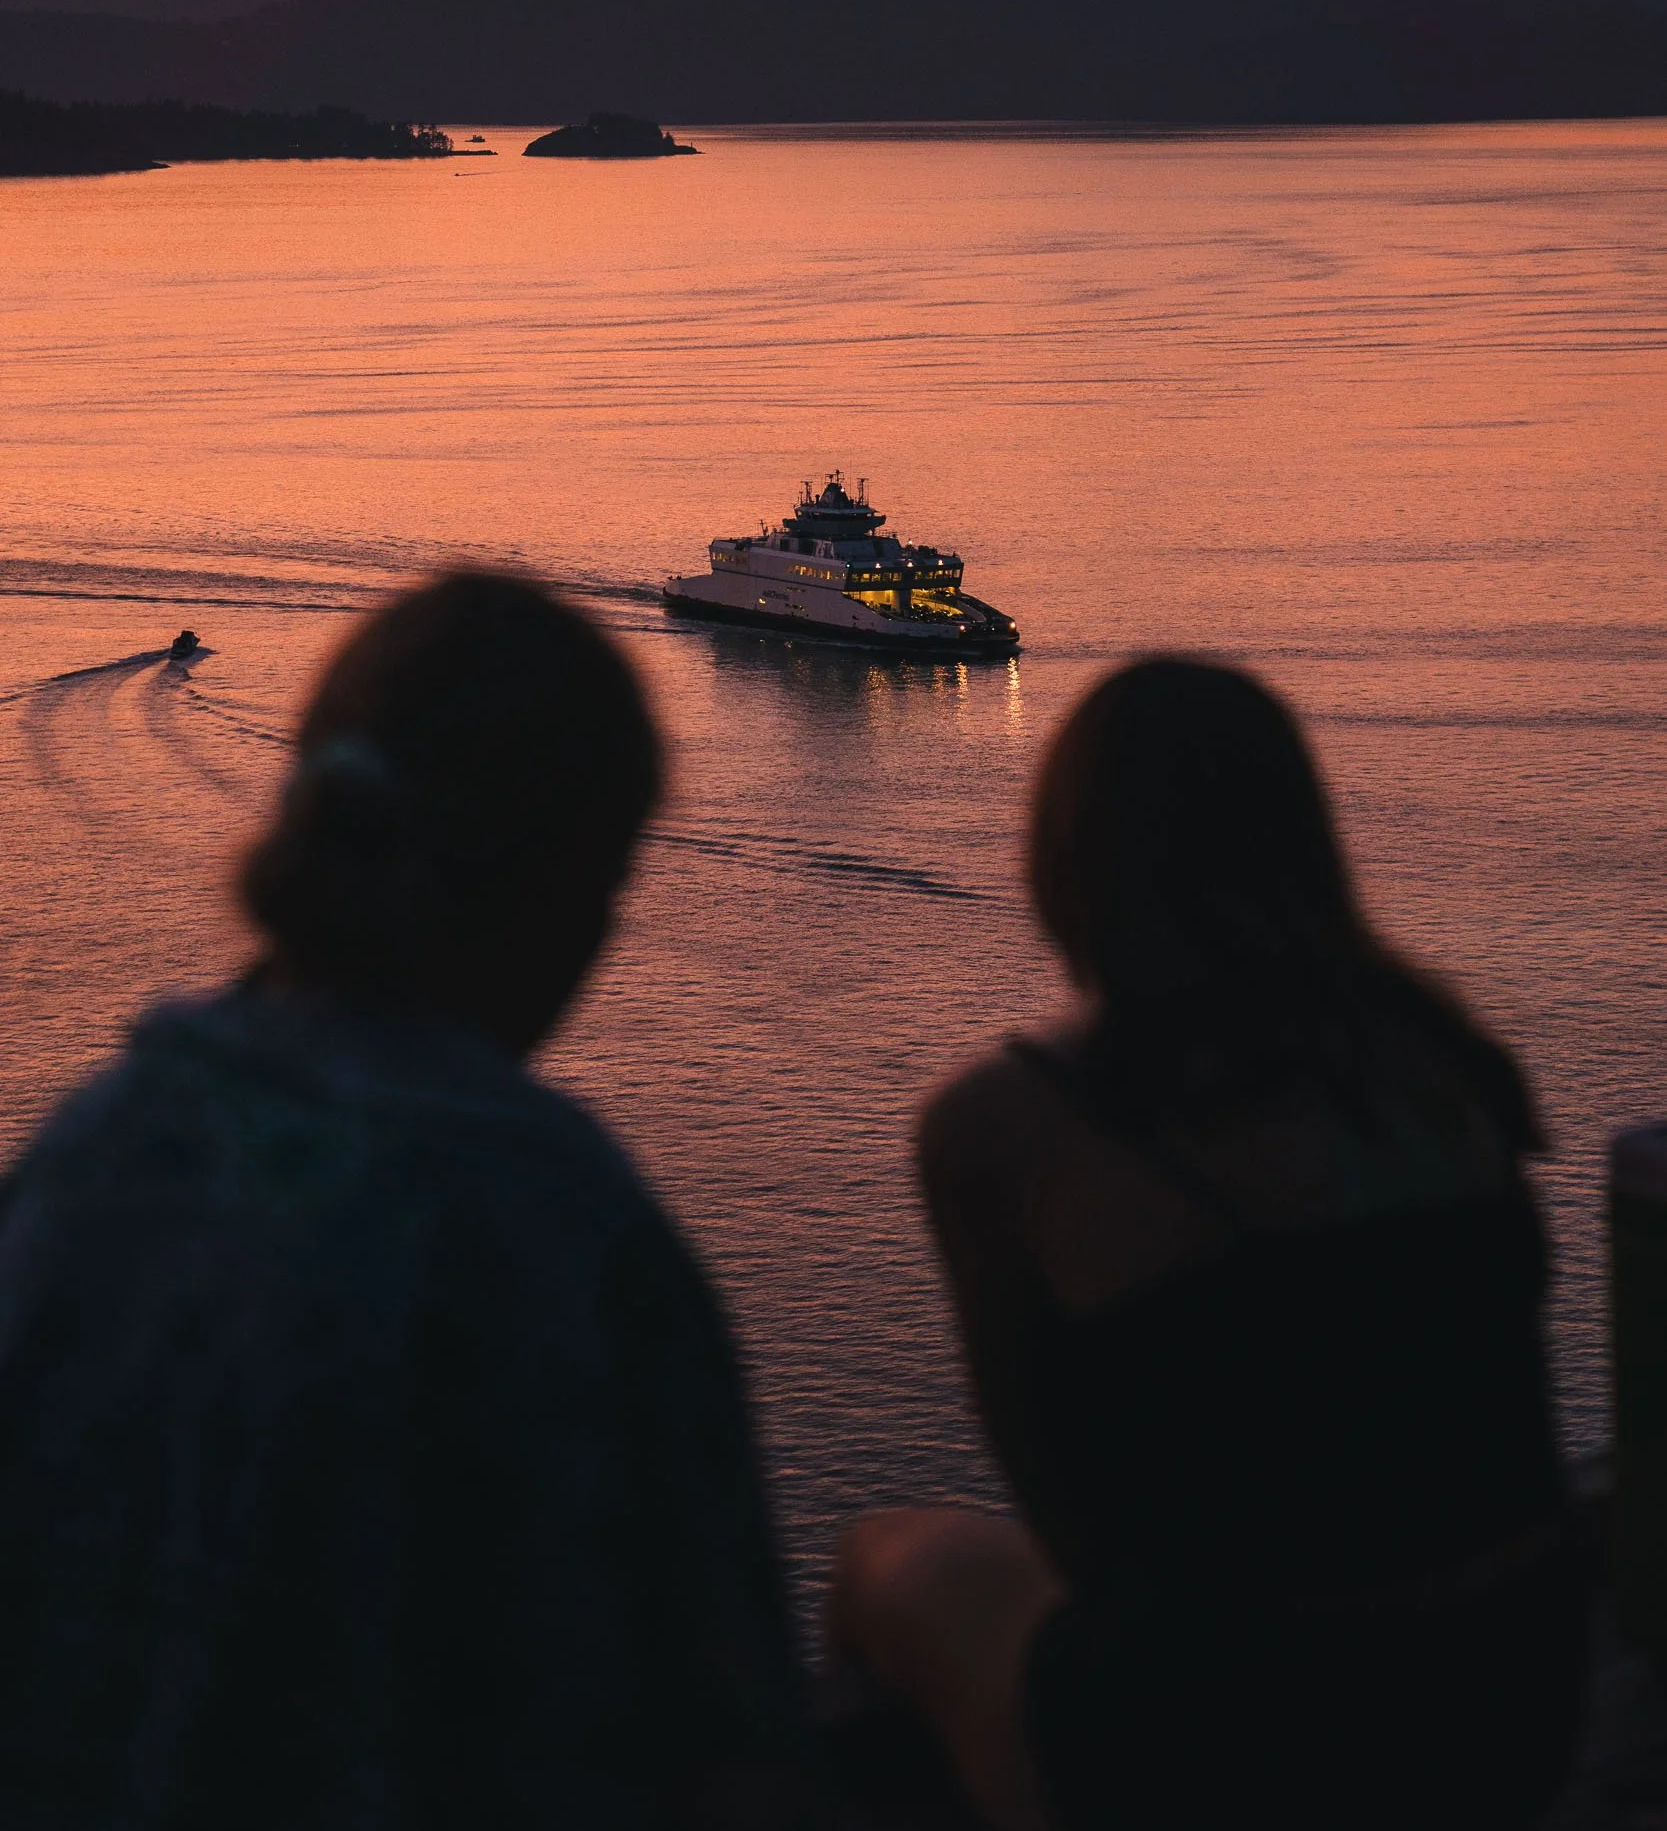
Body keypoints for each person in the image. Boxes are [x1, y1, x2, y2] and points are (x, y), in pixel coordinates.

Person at [0, 570, 820, 1830]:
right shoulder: (552, 1220)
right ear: (557, 881)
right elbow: (726, 1732)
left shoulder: (79, 1156)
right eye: (610, 891)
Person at [832, 657, 1591, 1831]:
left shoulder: (1005, 1124)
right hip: (1511, 1709)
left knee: (883, 1558)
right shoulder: (1442, 1059)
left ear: (1065, 852)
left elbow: (1065, 1520)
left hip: (1223, 1747)